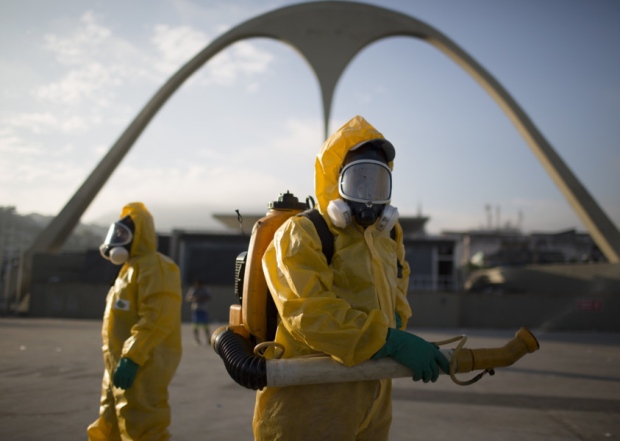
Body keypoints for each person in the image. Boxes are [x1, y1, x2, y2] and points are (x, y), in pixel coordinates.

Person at [252, 115, 450, 440]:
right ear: (335, 179)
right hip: (308, 407)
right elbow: (308, 312)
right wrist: (389, 341)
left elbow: (398, 299)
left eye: (377, 181)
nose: (368, 192)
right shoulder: (303, 233)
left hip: (373, 400)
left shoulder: (387, 238)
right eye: (358, 179)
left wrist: (397, 333)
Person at [87, 202, 183, 441]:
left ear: (139, 235)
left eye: (123, 234)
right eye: (115, 233)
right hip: (118, 365)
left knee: (142, 425)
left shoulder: (156, 268)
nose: (117, 240)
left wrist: (133, 357)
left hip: (143, 364)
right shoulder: (129, 269)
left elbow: (158, 318)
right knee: (109, 424)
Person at [185, 279, 212, 345]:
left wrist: (201, 298)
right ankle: (197, 339)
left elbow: (209, 297)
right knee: (196, 325)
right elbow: (188, 298)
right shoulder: (193, 289)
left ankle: (208, 338)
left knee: (205, 325)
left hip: (203, 309)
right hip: (196, 309)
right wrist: (195, 298)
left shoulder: (205, 289)